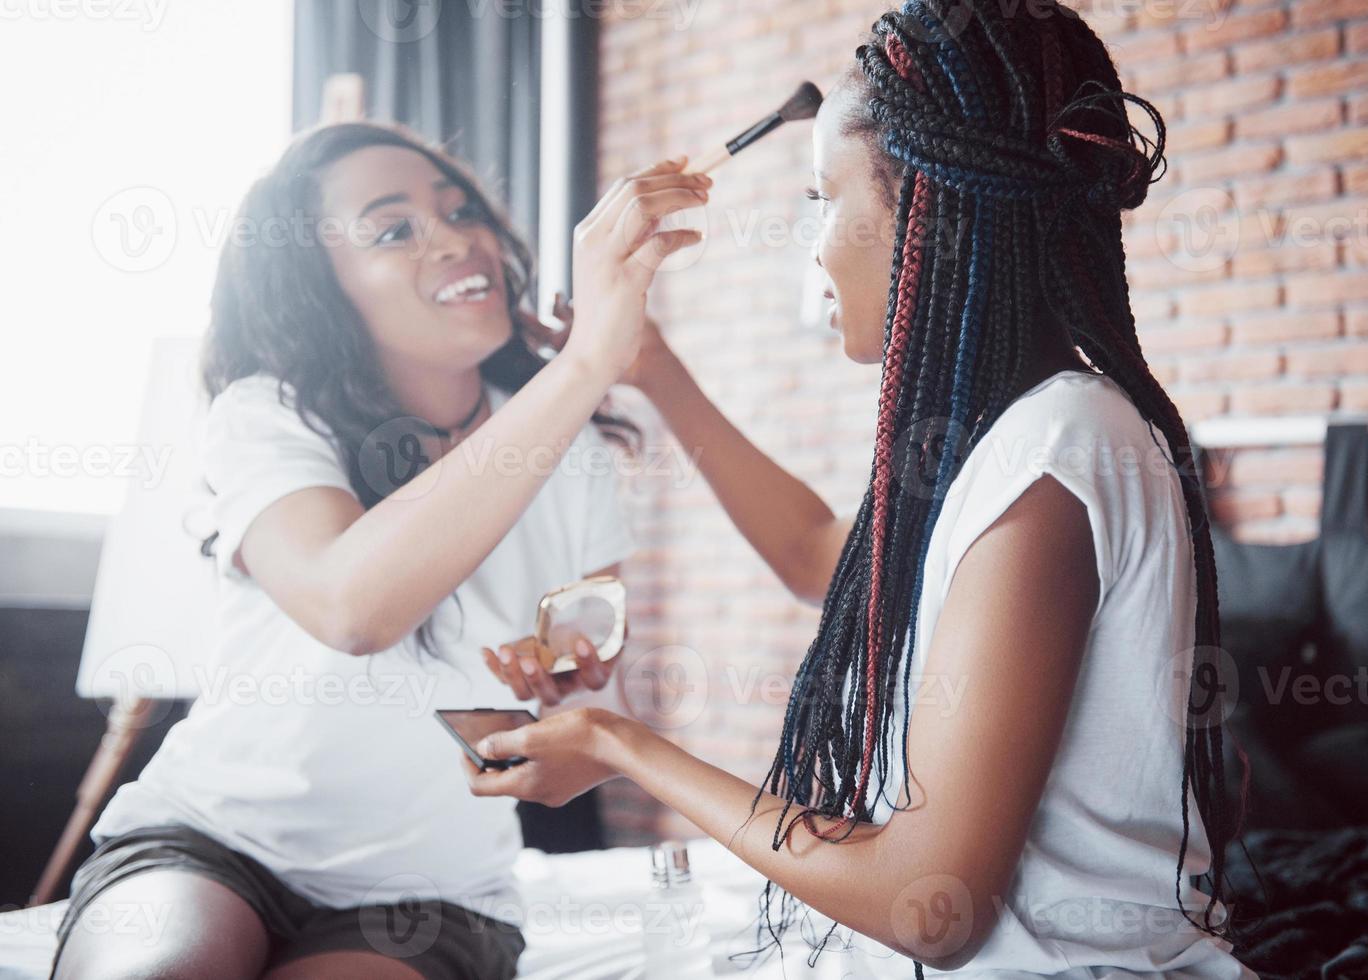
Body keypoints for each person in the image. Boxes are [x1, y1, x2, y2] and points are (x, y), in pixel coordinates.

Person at [463, 1, 1257, 976]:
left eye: (820, 200)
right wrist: (650, 366)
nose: (811, 246)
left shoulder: (1057, 451)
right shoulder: (1014, 436)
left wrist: (621, 745)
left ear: (929, 210)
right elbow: (813, 551)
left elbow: (934, 909)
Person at [51, 122, 709, 980]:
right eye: (394, 229)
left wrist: (564, 659)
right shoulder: (268, 416)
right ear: (321, 287)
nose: (454, 238)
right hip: (213, 839)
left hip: (427, 890)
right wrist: (585, 362)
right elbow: (350, 608)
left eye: (460, 209)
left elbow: (589, 622)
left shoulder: (571, 450)